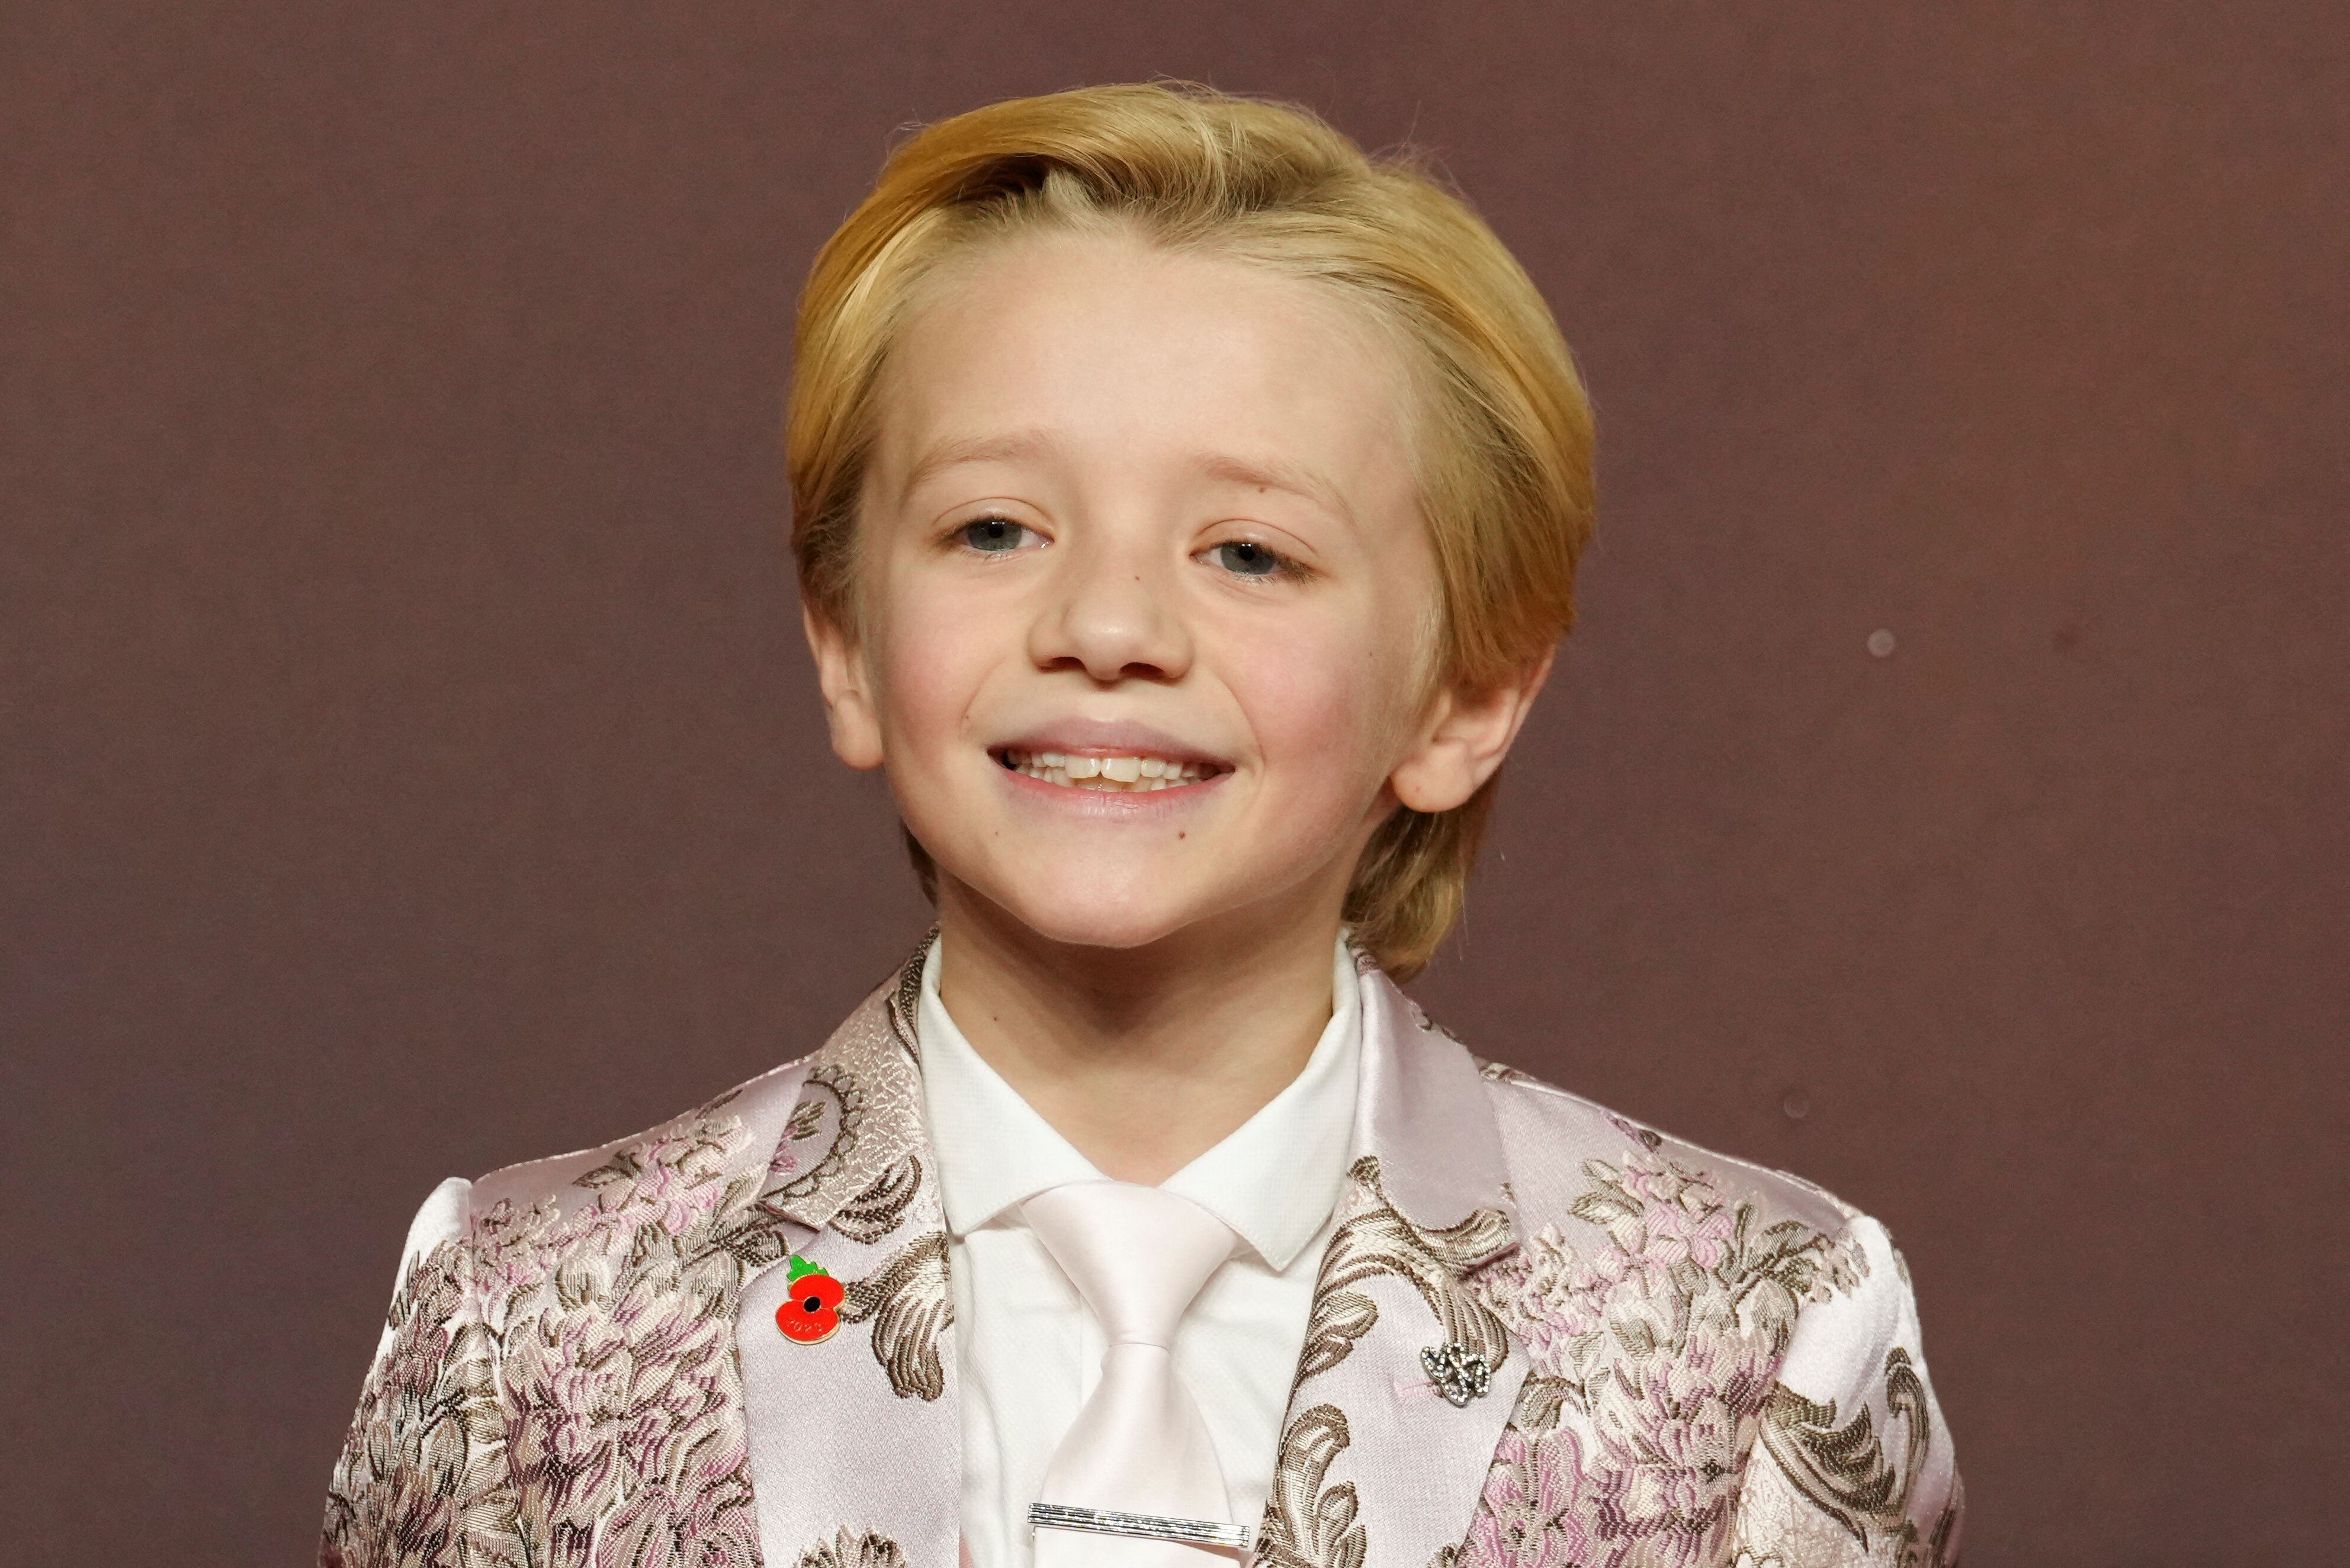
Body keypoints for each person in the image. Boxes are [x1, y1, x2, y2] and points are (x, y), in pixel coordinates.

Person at [321, 81, 1961, 1568]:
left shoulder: (1752, 1331)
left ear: (1465, 698)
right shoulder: (527, 1313)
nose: (1108, 624)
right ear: (846, 646)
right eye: (993, 526)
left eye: (1248, 553)